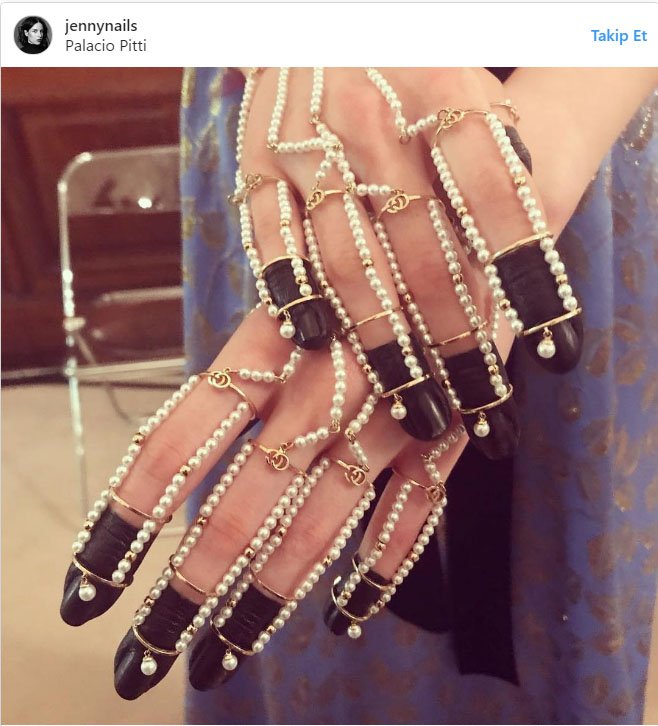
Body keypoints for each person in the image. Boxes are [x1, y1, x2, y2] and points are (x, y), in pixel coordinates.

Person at [61, 68, 658, 723]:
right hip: (287, 141)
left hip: (586, 109)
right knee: (286, 497)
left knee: (561, 563)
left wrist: (562, 119)